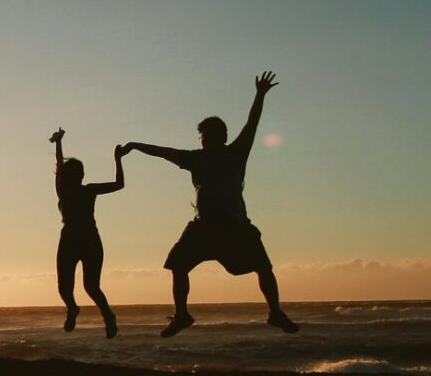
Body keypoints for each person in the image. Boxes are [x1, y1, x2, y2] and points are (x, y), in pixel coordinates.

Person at [123, 71, 299, 337]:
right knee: (178, 265)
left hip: (234, 225)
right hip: (203, 227)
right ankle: (182, 315)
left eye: (206, 134)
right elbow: (163, 152)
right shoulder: (194, 158)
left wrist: (259, 95)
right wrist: (136, 145)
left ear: (221, 136)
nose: (203, 139)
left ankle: (275, 312)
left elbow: (252, 124)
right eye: (201, 135)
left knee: (263, 267)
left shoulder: (236, 153)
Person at [48, 128, 125, 338]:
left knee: (91, 286)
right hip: (69, 239)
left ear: (82, 176)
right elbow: (59, 164)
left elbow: (119, 184)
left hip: (90, 239)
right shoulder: (62, 189)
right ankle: (72, 309)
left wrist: (117, 160)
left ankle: (108, 316)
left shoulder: (89, 190)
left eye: (78, 174)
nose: (75, 177)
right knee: (64, 287)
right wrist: (58, 143)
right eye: (70, 174)